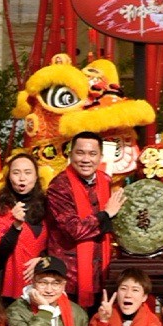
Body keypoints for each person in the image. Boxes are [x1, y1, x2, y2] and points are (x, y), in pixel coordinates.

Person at [46, 131, 120, 309]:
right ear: (70, 154)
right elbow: (74, 229)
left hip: (101, 271)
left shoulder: (105, 181)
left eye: (92, 154)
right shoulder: (59, 186)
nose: (86, 159)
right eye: (80, 153)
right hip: (70, 275)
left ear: (100, 156)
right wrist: (106, 215)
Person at [0, 150, 53, 298]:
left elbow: (56, 244)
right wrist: (16, 226)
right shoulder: (1, 207)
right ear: (9, 177)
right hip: (8, 284)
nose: (22, 178)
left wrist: (43, 260)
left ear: (36, 176)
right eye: (16, 173)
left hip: (42, 282)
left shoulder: (48, 205)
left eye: (27, 172)